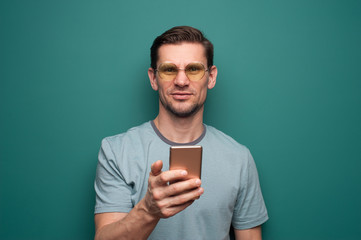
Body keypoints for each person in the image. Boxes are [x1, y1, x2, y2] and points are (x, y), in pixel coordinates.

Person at [94, 26, 268, 240]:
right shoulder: (116, 151)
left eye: (193, 69)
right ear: (154, 78)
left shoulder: (239, 159)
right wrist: (149, 210)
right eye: (169, 70)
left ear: (211, 77)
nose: (182, 81)